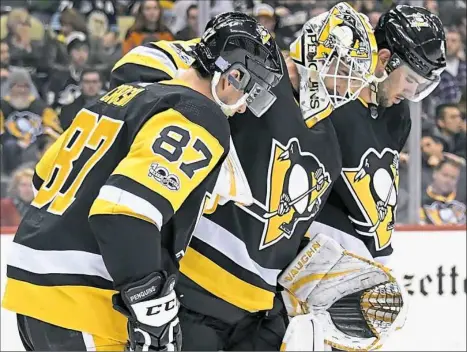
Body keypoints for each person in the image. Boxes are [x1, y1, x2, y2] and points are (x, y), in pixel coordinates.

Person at [109, 3, 395, 350]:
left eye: (356, 78)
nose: (347, 87)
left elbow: (293, 230)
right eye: (344, 70)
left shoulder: (330, 144)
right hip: (191, 292)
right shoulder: (252, 69)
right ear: (317, 51)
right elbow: (139, 64)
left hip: (255, 314)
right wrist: (197, 119)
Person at [2, 12, 283, 352]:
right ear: (233, 76)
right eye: (251, 92)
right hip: (87, 301)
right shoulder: (199, 113)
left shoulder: (122, 95)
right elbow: (124, 213)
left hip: (34, 294)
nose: (243, 109)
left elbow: (42, 176)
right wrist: (152, 306)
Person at [307, 5, 446, 263]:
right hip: (318, 255)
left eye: (421, 86)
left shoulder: (398, 116)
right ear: (384, 59)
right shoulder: (328, 104)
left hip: (368, 263)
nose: (410, 93)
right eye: (410, 80)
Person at [1, 69, 62, 174]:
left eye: (25, 86)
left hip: (37, 142)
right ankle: (10, 178)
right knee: (10, 146)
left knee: (48, 146)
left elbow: (54, 129)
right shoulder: (2, 105)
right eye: (18, 86)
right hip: (10, 143)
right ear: (10, 87)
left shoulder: (41, 106)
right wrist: (18, 141)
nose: (22, 90)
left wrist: (37, 138)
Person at [420, 156, 466, 225]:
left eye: (453, 178)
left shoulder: (463, 202)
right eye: (445, 175)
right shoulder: (419, 200)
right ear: (435, 173)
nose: (448, 181)